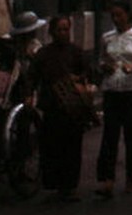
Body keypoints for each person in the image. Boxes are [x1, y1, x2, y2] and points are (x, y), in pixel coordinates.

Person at [94, 0, 132, 199]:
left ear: (128, 15)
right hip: (111, 90)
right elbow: (101, 60)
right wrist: (105, 67)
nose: (116, 19)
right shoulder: (106, 38)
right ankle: (107, 179)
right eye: (113, 16)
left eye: (119, 15)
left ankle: (130, 178)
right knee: (110, 136)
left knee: (131, 136)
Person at [31, 15, 91, 201]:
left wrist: (79, 80)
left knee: (72, 147)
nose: (64, 33)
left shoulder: (76, 52)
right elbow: (33, 76)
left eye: (66, 29)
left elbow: (87, 72)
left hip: (71, 105)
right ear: (51, 32)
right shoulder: (43, 54)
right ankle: (54, 183)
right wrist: (28, 94)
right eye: (60, 29)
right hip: (51, 104)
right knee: (51, 145)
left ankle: (69, 186)